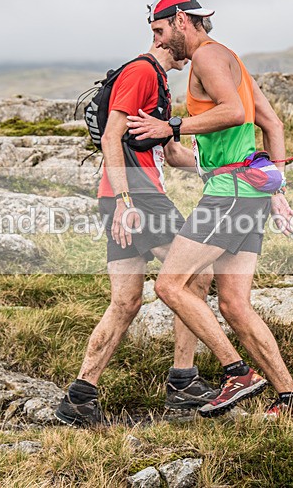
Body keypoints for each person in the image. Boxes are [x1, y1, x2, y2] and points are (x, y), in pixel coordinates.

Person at [125, 0, 293, 420]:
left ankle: (236, 372)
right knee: (234, 304)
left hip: (229, 195)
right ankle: (291, 401)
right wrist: (277, 190)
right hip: (250, 193)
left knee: (170, 285)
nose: (158, 42)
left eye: (159, 31)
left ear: (181, 22)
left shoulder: (208, 57)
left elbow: (230, 113)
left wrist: (170, 124)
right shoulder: (232, 60)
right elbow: (272, 123)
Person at [55, 43, 218, 427]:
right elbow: (112, 137)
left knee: (126, 302)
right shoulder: (142, 71)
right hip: (137, 197)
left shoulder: (159, 82)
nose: (193, 55)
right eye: (190, 37)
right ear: (166, 34)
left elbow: (173, 154)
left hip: (125, 198)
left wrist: (228, 167)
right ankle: (183, 382)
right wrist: (126, 200)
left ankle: (79, 398)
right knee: (196, 276)